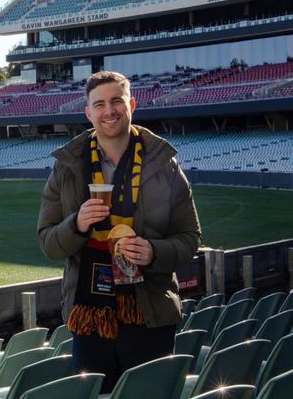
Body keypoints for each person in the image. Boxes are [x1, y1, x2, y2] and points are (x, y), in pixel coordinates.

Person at [37, 71, 201, 393]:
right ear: (88, 112)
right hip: (89, 316)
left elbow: (190, 237)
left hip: (149, 312)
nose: (108, 111)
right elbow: (47, 242)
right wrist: (77, 225)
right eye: (99, 104)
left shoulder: (163, 164)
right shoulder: (66, 167)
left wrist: (154, 252)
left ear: (132, 104)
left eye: (116, 101)